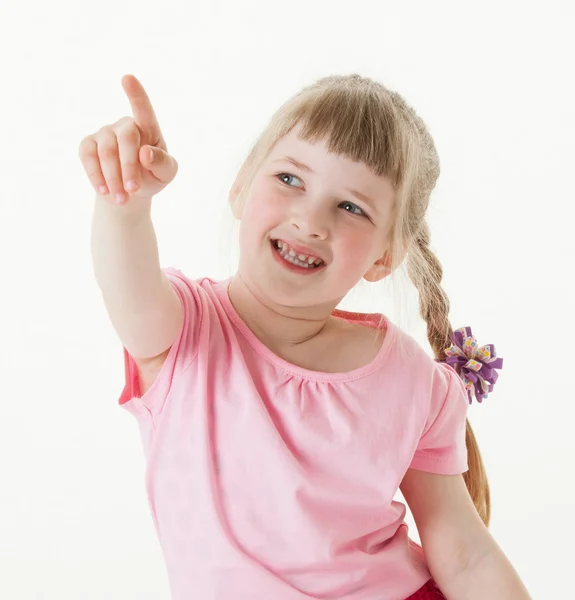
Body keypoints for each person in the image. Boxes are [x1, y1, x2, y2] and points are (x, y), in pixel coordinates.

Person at [80, 73, 531, 600]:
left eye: (351, 207)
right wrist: (125, 201)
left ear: (384, 256)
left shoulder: (411, 381)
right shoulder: (185, 334)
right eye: (290, 179)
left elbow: (465, 554)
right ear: (242, 186)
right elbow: (125, 282)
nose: (310, 220)